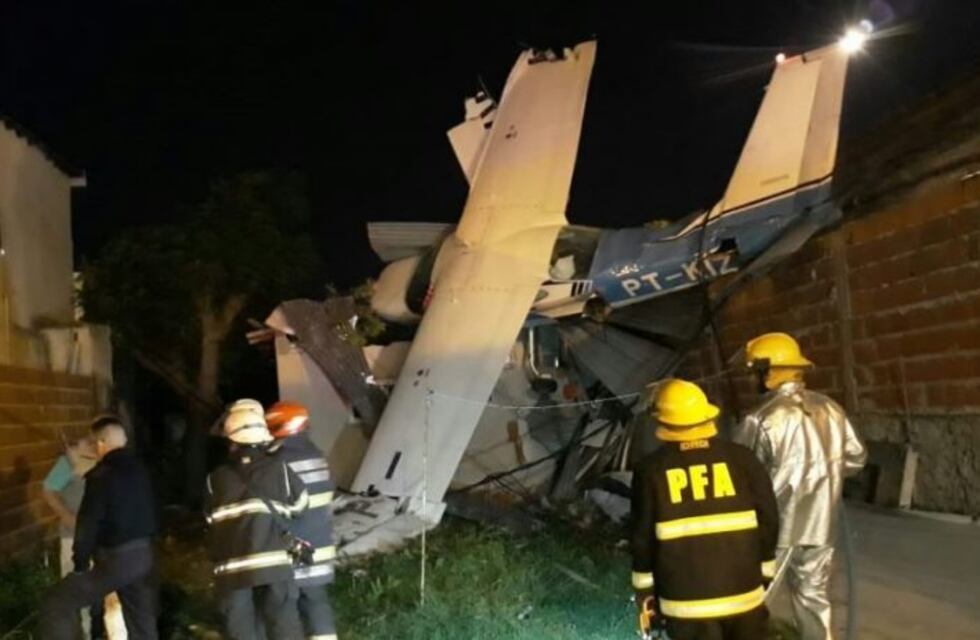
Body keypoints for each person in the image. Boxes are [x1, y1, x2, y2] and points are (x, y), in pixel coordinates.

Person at [736, 332, 867, 640]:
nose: (751, 379)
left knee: (752, 595)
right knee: (814, 596)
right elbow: (856, 459)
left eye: (755, 371)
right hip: (821, 524)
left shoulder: (760, 419)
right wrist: (825, 476)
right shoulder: (831, 409)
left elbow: (739, 473)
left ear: (768, 372)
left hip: (774, 526)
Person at [631, 379, 779, 640]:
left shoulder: (650, 470)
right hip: (744, 595)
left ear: (663, 422)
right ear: (706, 416)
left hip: (684, 603)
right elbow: (769, 520)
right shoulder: (744, 459)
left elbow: (642, 538)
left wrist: (645, 592)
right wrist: (765, 572)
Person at [40, 415, 159, 640]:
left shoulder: (101, 475)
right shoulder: (140, 468)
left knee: (58, 601)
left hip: (115, 559)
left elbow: (88, 523)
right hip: (144, 556)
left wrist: (80, 564)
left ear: (101, 443)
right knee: (141, 621)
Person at [205, 399, 309, 640]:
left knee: (241, 631)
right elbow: (301, 505)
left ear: (230, 440)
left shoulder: (215, 479)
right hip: (274, 564)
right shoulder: (279, 469)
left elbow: (210, 519)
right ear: (263, 436)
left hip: (232, 569)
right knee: (284, 627)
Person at [265, 401, 338, 640]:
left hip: (293, 546)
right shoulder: (317, 455)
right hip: (321, 543)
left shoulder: (278, 461)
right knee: (317, 603)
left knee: (287, 607)